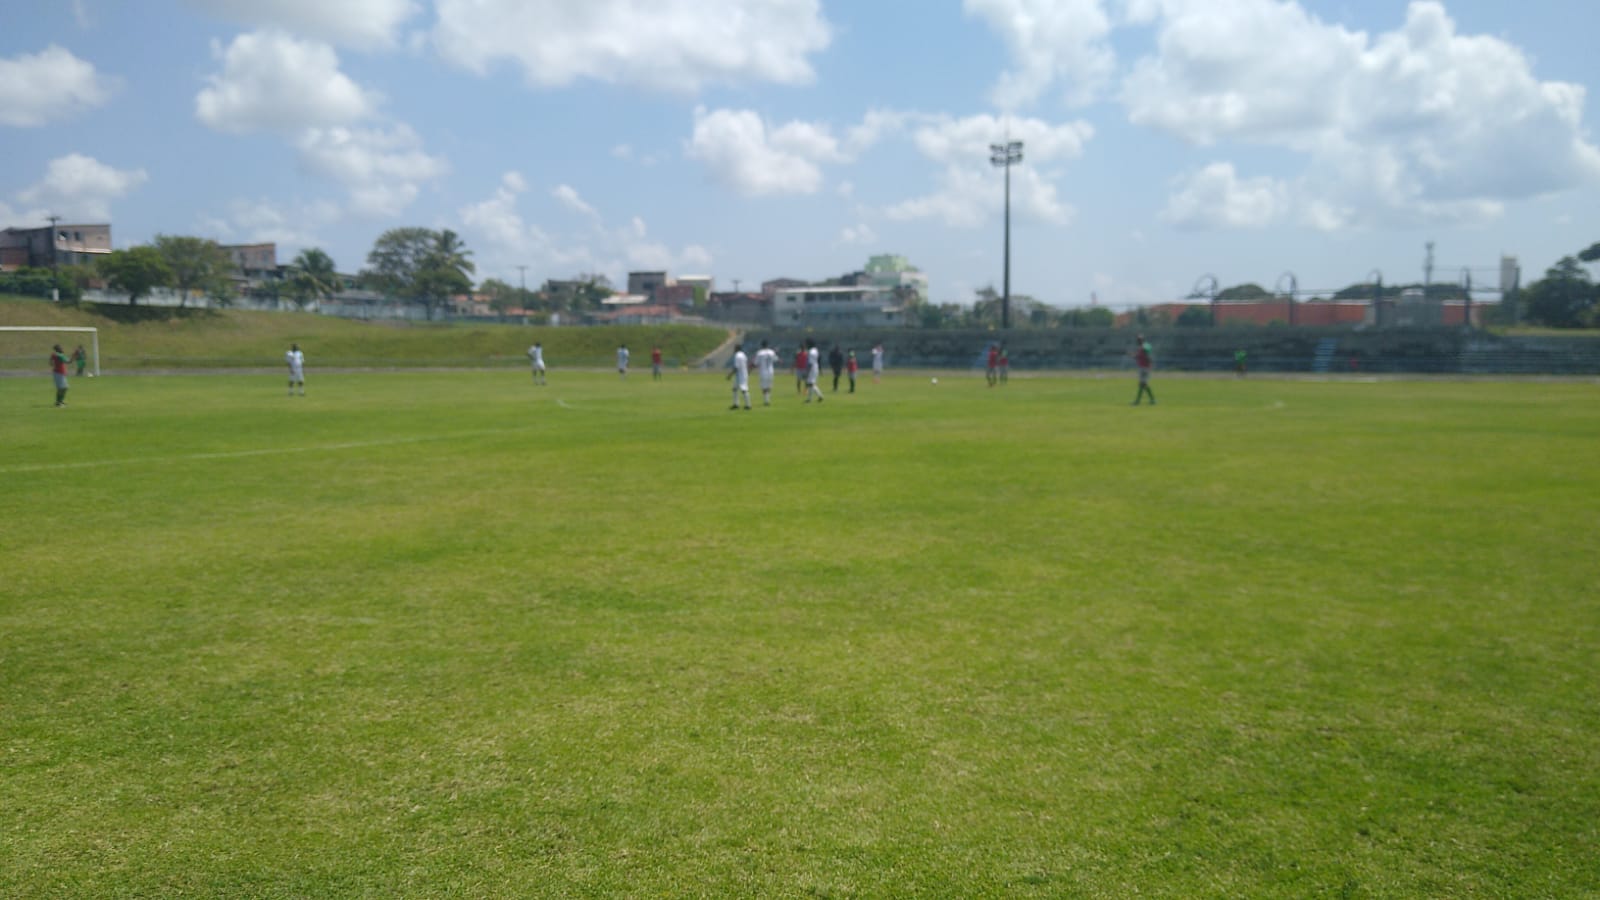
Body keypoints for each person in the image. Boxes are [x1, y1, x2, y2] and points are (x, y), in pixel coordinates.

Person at [1131, 334, 1155, 406]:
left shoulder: (1144, 348)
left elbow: (1148, 356)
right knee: (1143, 384)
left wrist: (1150, 365)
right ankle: (1151, 400)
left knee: (1143, 384)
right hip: (1142, 367)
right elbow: (1139, 357)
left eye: (1139, 340)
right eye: (1138, 340)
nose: (1138, 341)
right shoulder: (1142, 348)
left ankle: (1138, 401)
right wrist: (1134, 356)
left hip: (1145, 368)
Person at [754, 339, 780, 406]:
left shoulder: (760, 353)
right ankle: (768, 400)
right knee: (769, 386)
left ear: (762, 345)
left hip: (763, 371)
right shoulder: (771, 352)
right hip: (771, 371)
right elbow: (776, 359)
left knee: (764, 387)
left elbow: (755, 363)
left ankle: (766, 401)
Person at [726, 343, 752, 410]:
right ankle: (736, 404)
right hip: (743, 374)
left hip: (740, 375)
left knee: (744, 389)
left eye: (734, 348)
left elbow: (736, 367)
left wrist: (730, 375)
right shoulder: (743, 355)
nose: (734, 349)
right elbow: (747, 364)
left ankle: (748, 405)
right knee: (735, 389)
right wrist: (748, 372)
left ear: (737, 348)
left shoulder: (737, 356)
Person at [804, 339, 825, 404]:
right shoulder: (815, 350)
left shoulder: (811, 352)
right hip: (816, 366)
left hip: (812, 367)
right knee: (811, 383)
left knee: (810, 383)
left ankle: (818, 396)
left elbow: (810, 363)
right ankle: (811, 398)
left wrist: (807, 371)